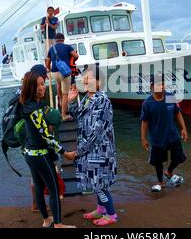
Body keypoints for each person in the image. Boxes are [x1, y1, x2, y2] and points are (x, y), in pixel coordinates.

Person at [19, 70, 76, 228]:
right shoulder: (34, 109)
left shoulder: (27, 104)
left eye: (43, 84)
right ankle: (58, 224)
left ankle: (46, 220)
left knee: (38, 186)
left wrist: (65, 102)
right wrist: (66, 153)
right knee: (53, 188)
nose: (42, 88)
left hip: (30, 154)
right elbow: (47, 136)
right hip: (40, 155)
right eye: (38, 85)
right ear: (30, 87)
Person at [69, 65, 118, 227]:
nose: (84, 80)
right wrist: (70, 102)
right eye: (84, 77)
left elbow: (97, 132)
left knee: (100, 185)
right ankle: (100, 209)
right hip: (90, 151)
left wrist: (79, 151)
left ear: (99, 82)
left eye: (88, 77)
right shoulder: (87, 98)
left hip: (100, 151)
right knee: (96, 182)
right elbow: (76, 115)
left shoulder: (103, 101)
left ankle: (111, 214)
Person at [140, 74, 189, 193]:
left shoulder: (170, 96)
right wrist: (143, 139)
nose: (162, 87)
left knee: (179, 157)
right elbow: (144, 121)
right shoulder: (147, 103)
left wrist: (184, 128)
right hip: (157, 138)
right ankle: (160, 181)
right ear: (152, 87)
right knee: (158, 162)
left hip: (172, 135)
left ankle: (169, 172)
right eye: (158, 84)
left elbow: (177, 113)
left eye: (163, 84)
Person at [45, 33, 79, 122]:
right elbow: (76, 56)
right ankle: (64, 115)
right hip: (64, 73)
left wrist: (48, 70)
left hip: (54, 73)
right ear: (63, 39)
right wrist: (71, 60)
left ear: (56, 40)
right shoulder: (68, 47)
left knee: (59, 84)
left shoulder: (51, 49)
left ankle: (60, 103)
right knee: (65, 95)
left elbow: (47, 63)